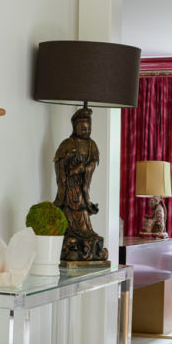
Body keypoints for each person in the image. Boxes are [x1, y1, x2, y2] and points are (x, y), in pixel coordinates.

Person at [53, 105, 109, 263]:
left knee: (83, 209)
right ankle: (71, 237)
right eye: (82, 128)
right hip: (69, 186)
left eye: (88, 128)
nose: (86, 131)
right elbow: (58, 162)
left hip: (82, 185)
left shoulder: (92, 145)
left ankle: (85, 233)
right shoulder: (67, 143)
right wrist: (67, 163)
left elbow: (93, 162)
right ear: (75, 127)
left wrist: (83, 168)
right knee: (70, 208)